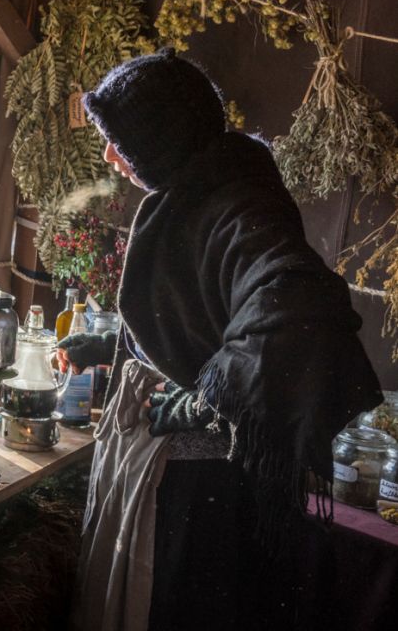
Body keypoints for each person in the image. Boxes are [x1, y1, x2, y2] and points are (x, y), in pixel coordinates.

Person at [74, 49, 382, 630]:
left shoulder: (240, 204)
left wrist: (207, 397)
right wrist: (115, 345)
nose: (111, 155)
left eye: (121, 141)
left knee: (174, 603)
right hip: (163, 453)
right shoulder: (200, 183)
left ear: (161, 137)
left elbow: (296, 304)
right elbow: (199, 308)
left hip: (202, 478)